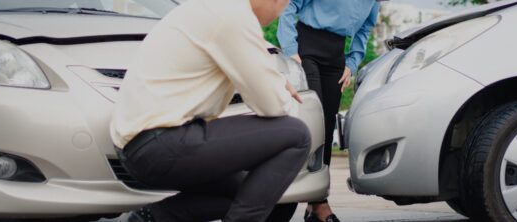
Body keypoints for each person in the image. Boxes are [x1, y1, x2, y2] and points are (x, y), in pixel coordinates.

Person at [109, 0, 311, 221]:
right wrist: (278, 88)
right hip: (160, 144)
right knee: (297, 135)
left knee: (264, 194)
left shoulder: (217, 8)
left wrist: (274, 82)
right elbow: (271, 104)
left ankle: (152, 218)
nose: (280, 12)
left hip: (142, 147)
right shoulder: (232, 15)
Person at [277, 1, 380, 222]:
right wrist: (291, 52)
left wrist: (352, 62)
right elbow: (289, 6)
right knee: (312, 125)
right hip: (306, 51)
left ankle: (315, 202)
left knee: (326, 128)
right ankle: (313, 201)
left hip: (336, 58)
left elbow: (364, 28)